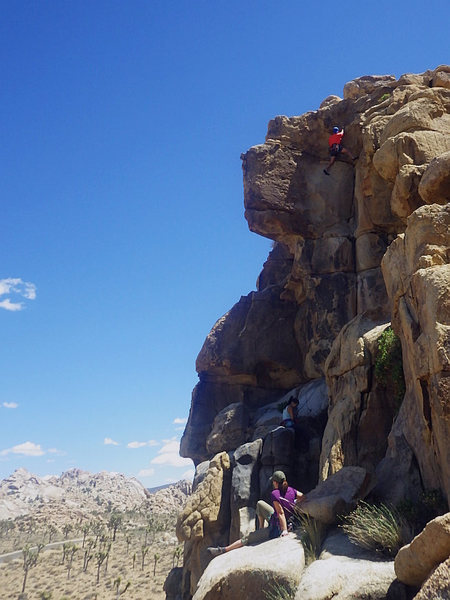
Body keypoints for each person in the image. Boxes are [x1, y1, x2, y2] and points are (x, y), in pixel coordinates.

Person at [207, 471, 304, 557]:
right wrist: (294, 503)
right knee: (260, 504)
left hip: (276, 528)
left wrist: (284, 531)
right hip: (277, 518)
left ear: (275, 482)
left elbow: (281, 513)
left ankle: (224, 550)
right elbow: (303, 497)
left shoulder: (275, 493)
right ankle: (261, 527)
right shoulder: (291, 490)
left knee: (248, 538)